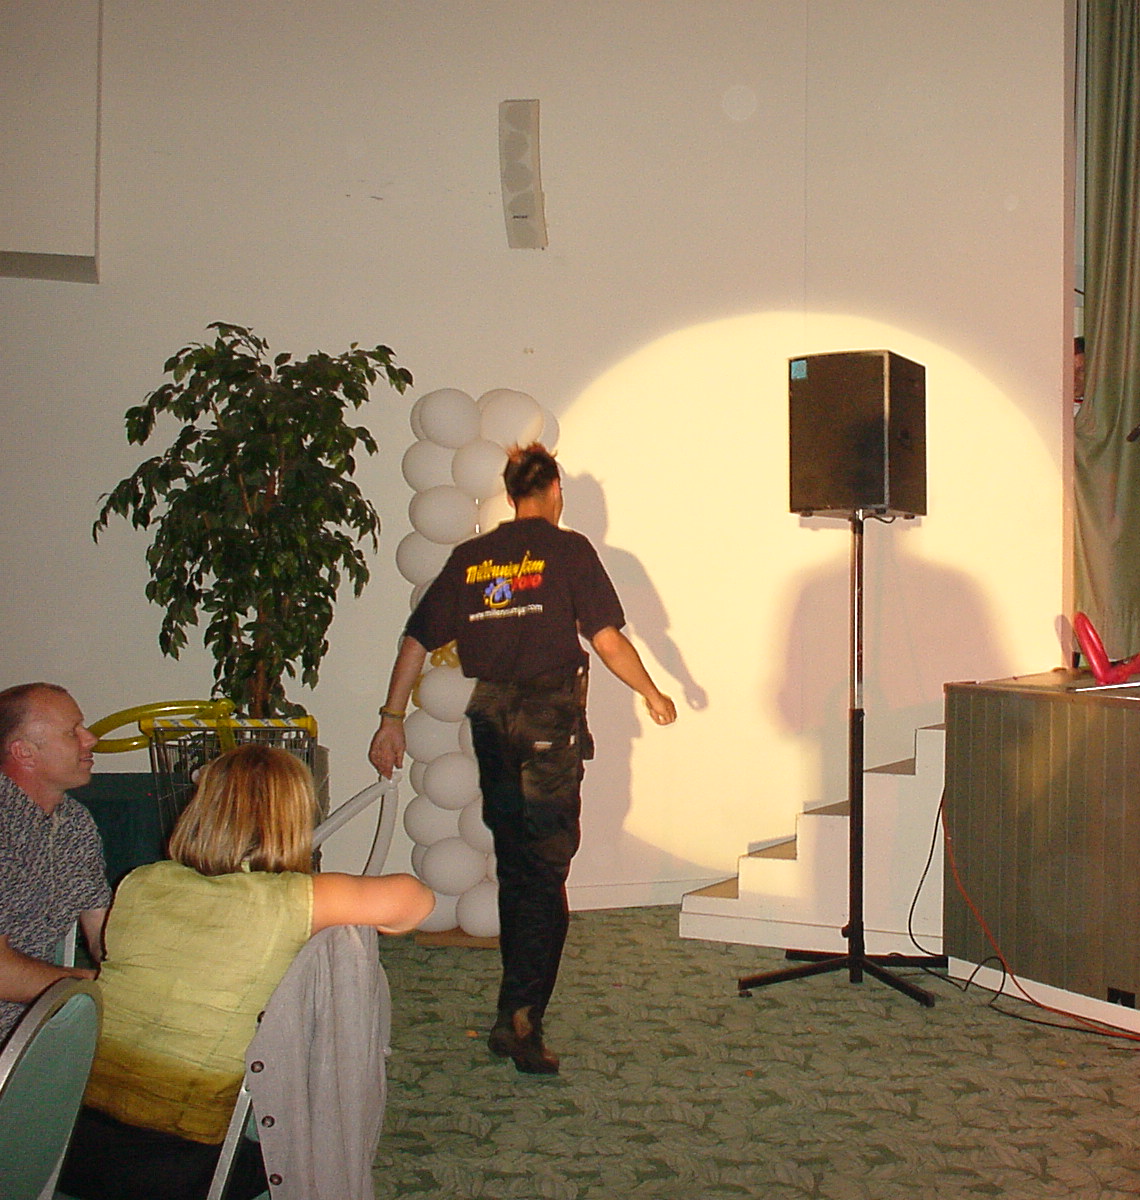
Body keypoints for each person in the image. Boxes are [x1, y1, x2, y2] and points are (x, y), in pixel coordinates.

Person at [368, 442, 677, 1075]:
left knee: (517, 867)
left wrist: (391, 719)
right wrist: (653, 692)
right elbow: (607, 639)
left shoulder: (472, 557)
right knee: (545, 870)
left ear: (510, 495)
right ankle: (522, 1018)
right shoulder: (569, 550)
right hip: (546, 720)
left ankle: (513, 1009)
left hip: (491, 720)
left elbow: (416, 641)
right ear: (555, 490)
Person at [58, 743, 434, 1200]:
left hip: (64, 1142)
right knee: (299, 1162)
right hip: (174, 1170)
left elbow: (107, 956)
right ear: (292, 819)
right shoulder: (293, 899)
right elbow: (415, 901)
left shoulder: (141, 881)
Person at [0, 681, 110, 1044]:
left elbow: (103, 935)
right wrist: (102, 987)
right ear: (24, 752)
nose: (90, 739)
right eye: (72, 731)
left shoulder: (75, 822)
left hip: (36, 1032)